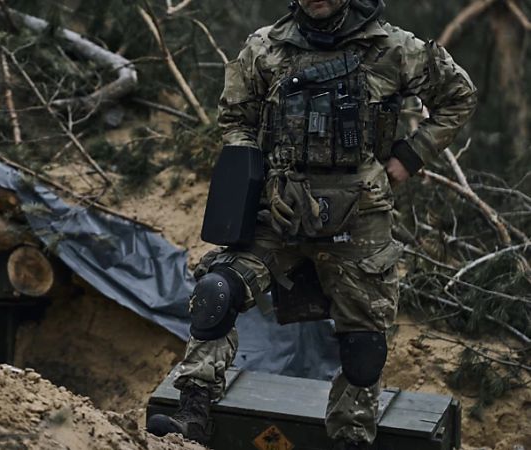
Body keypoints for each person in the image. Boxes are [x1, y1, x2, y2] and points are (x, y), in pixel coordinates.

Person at [146, 0, 477, 448]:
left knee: (365, 349)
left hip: (359, 218)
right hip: (278, 214)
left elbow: (459, 95)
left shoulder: (394, 48)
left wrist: (409, 157)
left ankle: (350, 438)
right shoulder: (266, 49)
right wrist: (255, 172)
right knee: (215, 293)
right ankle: (193, 412)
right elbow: (236, 118)